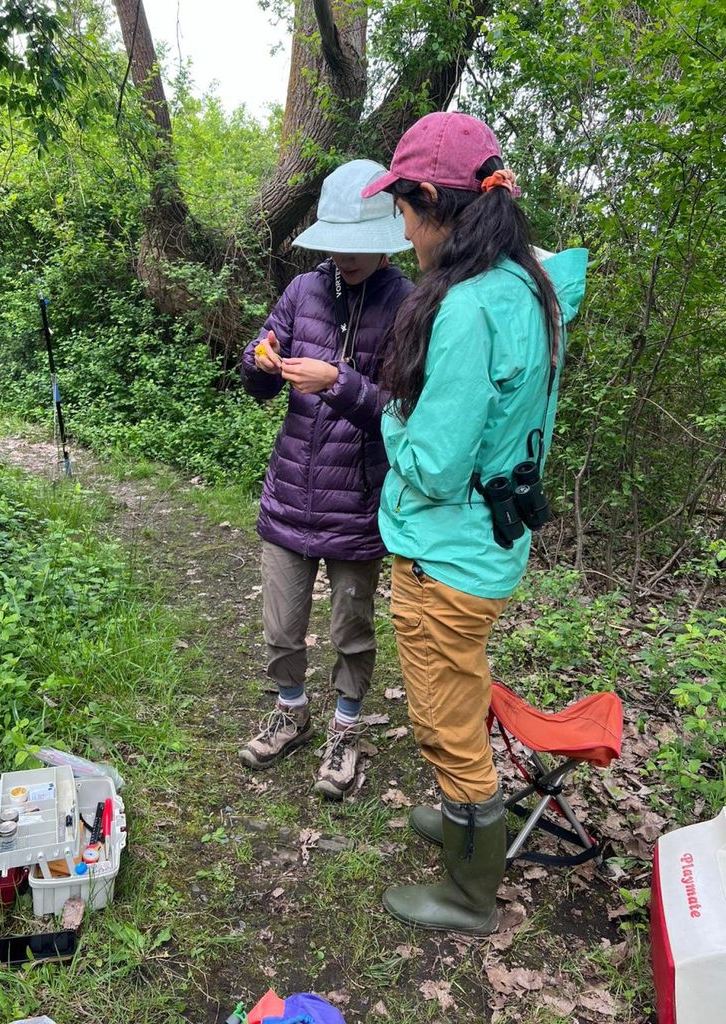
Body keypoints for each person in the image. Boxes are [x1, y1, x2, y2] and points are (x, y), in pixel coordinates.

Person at [360, 112, 588, 931]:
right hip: (494, 545)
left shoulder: (465, 309)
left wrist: (391, 418)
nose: (404, 230)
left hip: (445, 556)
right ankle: (461, 822)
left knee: (446, 721)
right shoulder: (534, 283)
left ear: (431, 201)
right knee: (461, 691)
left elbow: (433, 464)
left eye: (405, 210)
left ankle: (469, 893)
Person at [239, 159, 413, 800]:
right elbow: (261, 372)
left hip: (359, 498)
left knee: (351, 626)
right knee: (281, 624)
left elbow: (401, 412)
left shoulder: (406, 304)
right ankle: (292, 712)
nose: (347, 256)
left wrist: (335, 383)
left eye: (360, 246)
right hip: (291, 489)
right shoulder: (301, 292)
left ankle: (345, 727)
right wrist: (260, 363)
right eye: (337, 242)